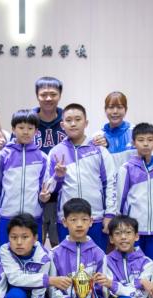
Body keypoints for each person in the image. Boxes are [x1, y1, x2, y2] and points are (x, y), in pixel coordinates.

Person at [45, 103, 116, 252]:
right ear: (62, 125)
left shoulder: (99, 150)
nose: (73, 123)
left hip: (95, 218)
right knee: (68, 263)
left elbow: (110, 183)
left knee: (96, 263)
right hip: (67, 220)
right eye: (68, 120)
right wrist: (58, 177)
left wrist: (110, 214)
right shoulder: (55, 152)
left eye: (78, 119)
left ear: (86, 123)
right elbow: (48, 190)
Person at [0, 109, 49, 249]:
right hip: (7, 215)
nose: (25, 132)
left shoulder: (42, 157)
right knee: (6, 254)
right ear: (13, 129)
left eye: (30, 128)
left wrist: (41, 202)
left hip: (33, 216)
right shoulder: (3, 155)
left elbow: (44, 186)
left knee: (33, 255)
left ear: (36, 131)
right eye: (21, 128)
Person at [117, 123, 153, 260]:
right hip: (133, 229)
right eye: (141, 140)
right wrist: (121, 223)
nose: (145, 144)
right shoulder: (126, 168)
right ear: (133, 142)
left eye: (150, 140)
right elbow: (120, 199)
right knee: (133, 262)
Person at [33, 77, 66, 248]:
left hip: (61, 195)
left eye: (53, 94)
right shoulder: (28, 121)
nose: (48, 98)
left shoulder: (67, 120)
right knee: (33, 244)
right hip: (34, 196)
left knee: (59, 245)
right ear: (37, 96)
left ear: (60, 95)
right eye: (43, 94)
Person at [90, 91, 134, 169]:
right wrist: (100, 149)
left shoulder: (135, 132)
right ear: (105, 110)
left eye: (119, 107)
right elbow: (93, 166)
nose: (115, 111)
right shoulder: (98, 137)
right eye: (111, 107)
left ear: (126, 109)